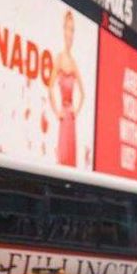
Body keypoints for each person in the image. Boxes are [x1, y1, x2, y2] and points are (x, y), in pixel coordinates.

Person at [49, 10, 84, 168]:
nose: (70, 34)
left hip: (71, 116)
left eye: (73, 30)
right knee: (62, 157)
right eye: (68, 29)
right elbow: (50, 88)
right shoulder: (59, 59)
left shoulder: (74, 62)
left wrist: (75, 110)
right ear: (63, 31)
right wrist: (57, 112)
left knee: (71, 158)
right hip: (64, 117)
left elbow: (83, 93)